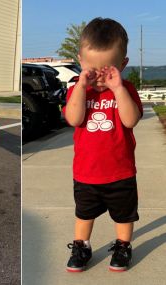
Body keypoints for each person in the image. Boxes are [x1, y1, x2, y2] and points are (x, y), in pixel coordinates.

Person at [63, 18, 143, 272]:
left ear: (122, 65)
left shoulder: (126, 89)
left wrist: (118, 89)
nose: (99, 77)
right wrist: (81, 87)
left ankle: (122, 246)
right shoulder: (79, 90)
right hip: (87, 173)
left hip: (120, 172)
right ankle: (81, 246)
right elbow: (73, 119)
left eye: (107, 70)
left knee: (124, 215)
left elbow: (130, 120)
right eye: (91, 69)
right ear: (80, 61)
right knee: (84, 215)